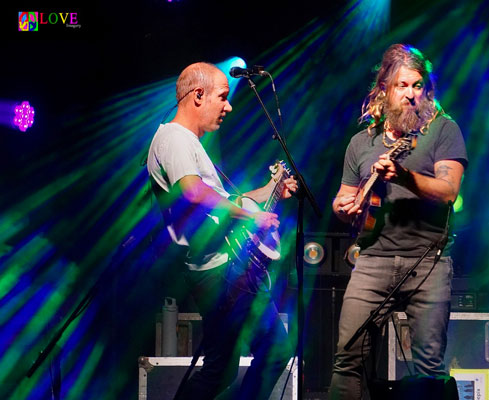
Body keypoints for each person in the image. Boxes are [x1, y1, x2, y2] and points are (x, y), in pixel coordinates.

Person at [147, 62, 297, 400]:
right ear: (198, 95)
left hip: (225, 271)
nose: (228, 106)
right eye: (223, 97)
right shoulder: (173, 138)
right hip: (218, 274)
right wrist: (248, 215)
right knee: (273, 350)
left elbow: (224, 199)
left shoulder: (190, 143)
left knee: (222, 367)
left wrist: (271, 189)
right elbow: (193, 192)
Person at [329, 44, 468, 399]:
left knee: (428, 368)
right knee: (348, 359)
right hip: (372, 259)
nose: (410, 94)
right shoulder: (361, 142)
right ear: (385, 90)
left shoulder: (443, 131)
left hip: (428, 261)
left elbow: (449, 191)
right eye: (402, 85)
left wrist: (403, 176)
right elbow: (344, 197)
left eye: (417, 85)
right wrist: (343, 206)